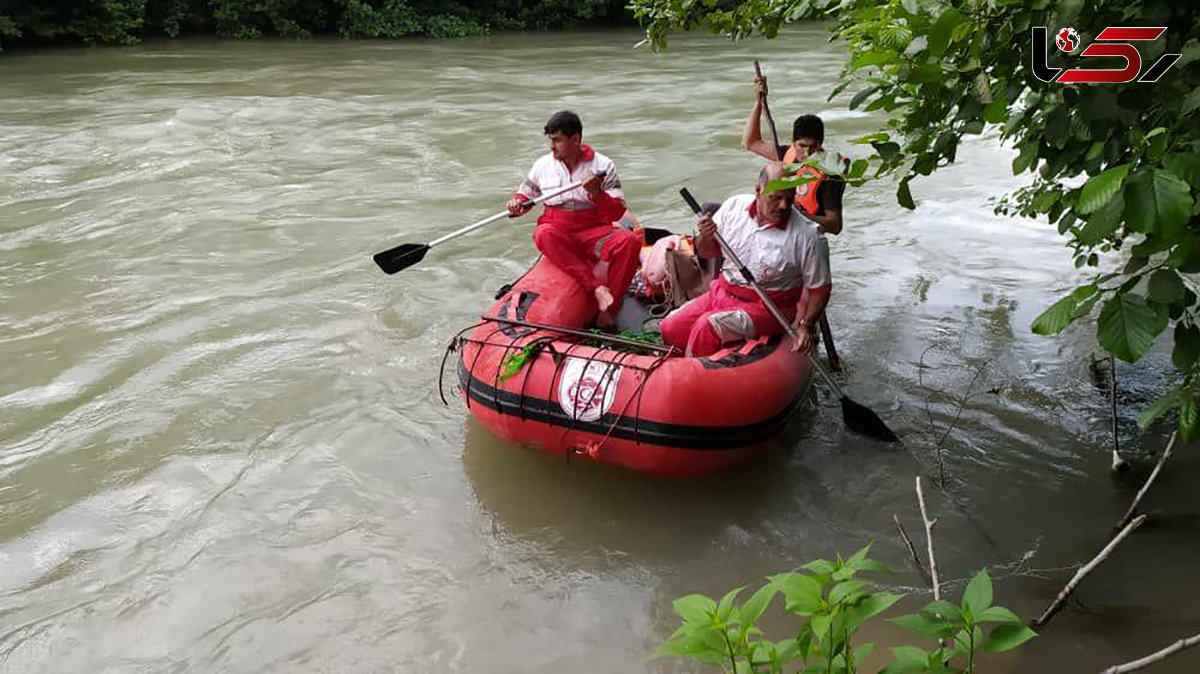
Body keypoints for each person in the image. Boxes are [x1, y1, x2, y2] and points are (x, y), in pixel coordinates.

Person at [660, 163, 832, 357]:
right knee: (670, 327)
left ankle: (691, 376)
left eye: (789, 198)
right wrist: (706, 236)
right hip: (723, 292)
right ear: (758, 191)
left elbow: (820, 289)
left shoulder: (809, 235)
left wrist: (806, 325)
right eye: (775, 198)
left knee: (706, 327)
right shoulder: (734, 206)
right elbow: (707, 253)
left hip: (768, 308)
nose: (783, 206)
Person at [505, 111, 640, 328]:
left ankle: (609, 311)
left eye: (557, 140)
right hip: (558, 232)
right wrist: (515, 204)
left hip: (592, 231)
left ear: (575, 140)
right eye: (550, 140)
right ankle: (596, 288)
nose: (552, 146)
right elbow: (525, 197)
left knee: (629, 242)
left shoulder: (603, 166)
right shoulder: (542, 165)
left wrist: (597, 193)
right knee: (542, 233)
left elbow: (616, 213)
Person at [741, 74, 846, 236]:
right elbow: (751, 143)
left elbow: (835, 225)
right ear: (793, 142)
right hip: (776, 223)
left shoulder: (830, 175)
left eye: (813, 147)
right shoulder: (785, 155)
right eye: (801, 146)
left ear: (821, 143)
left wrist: (799, 215)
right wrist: (758, 104)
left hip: (803, 234)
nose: (806, 153)